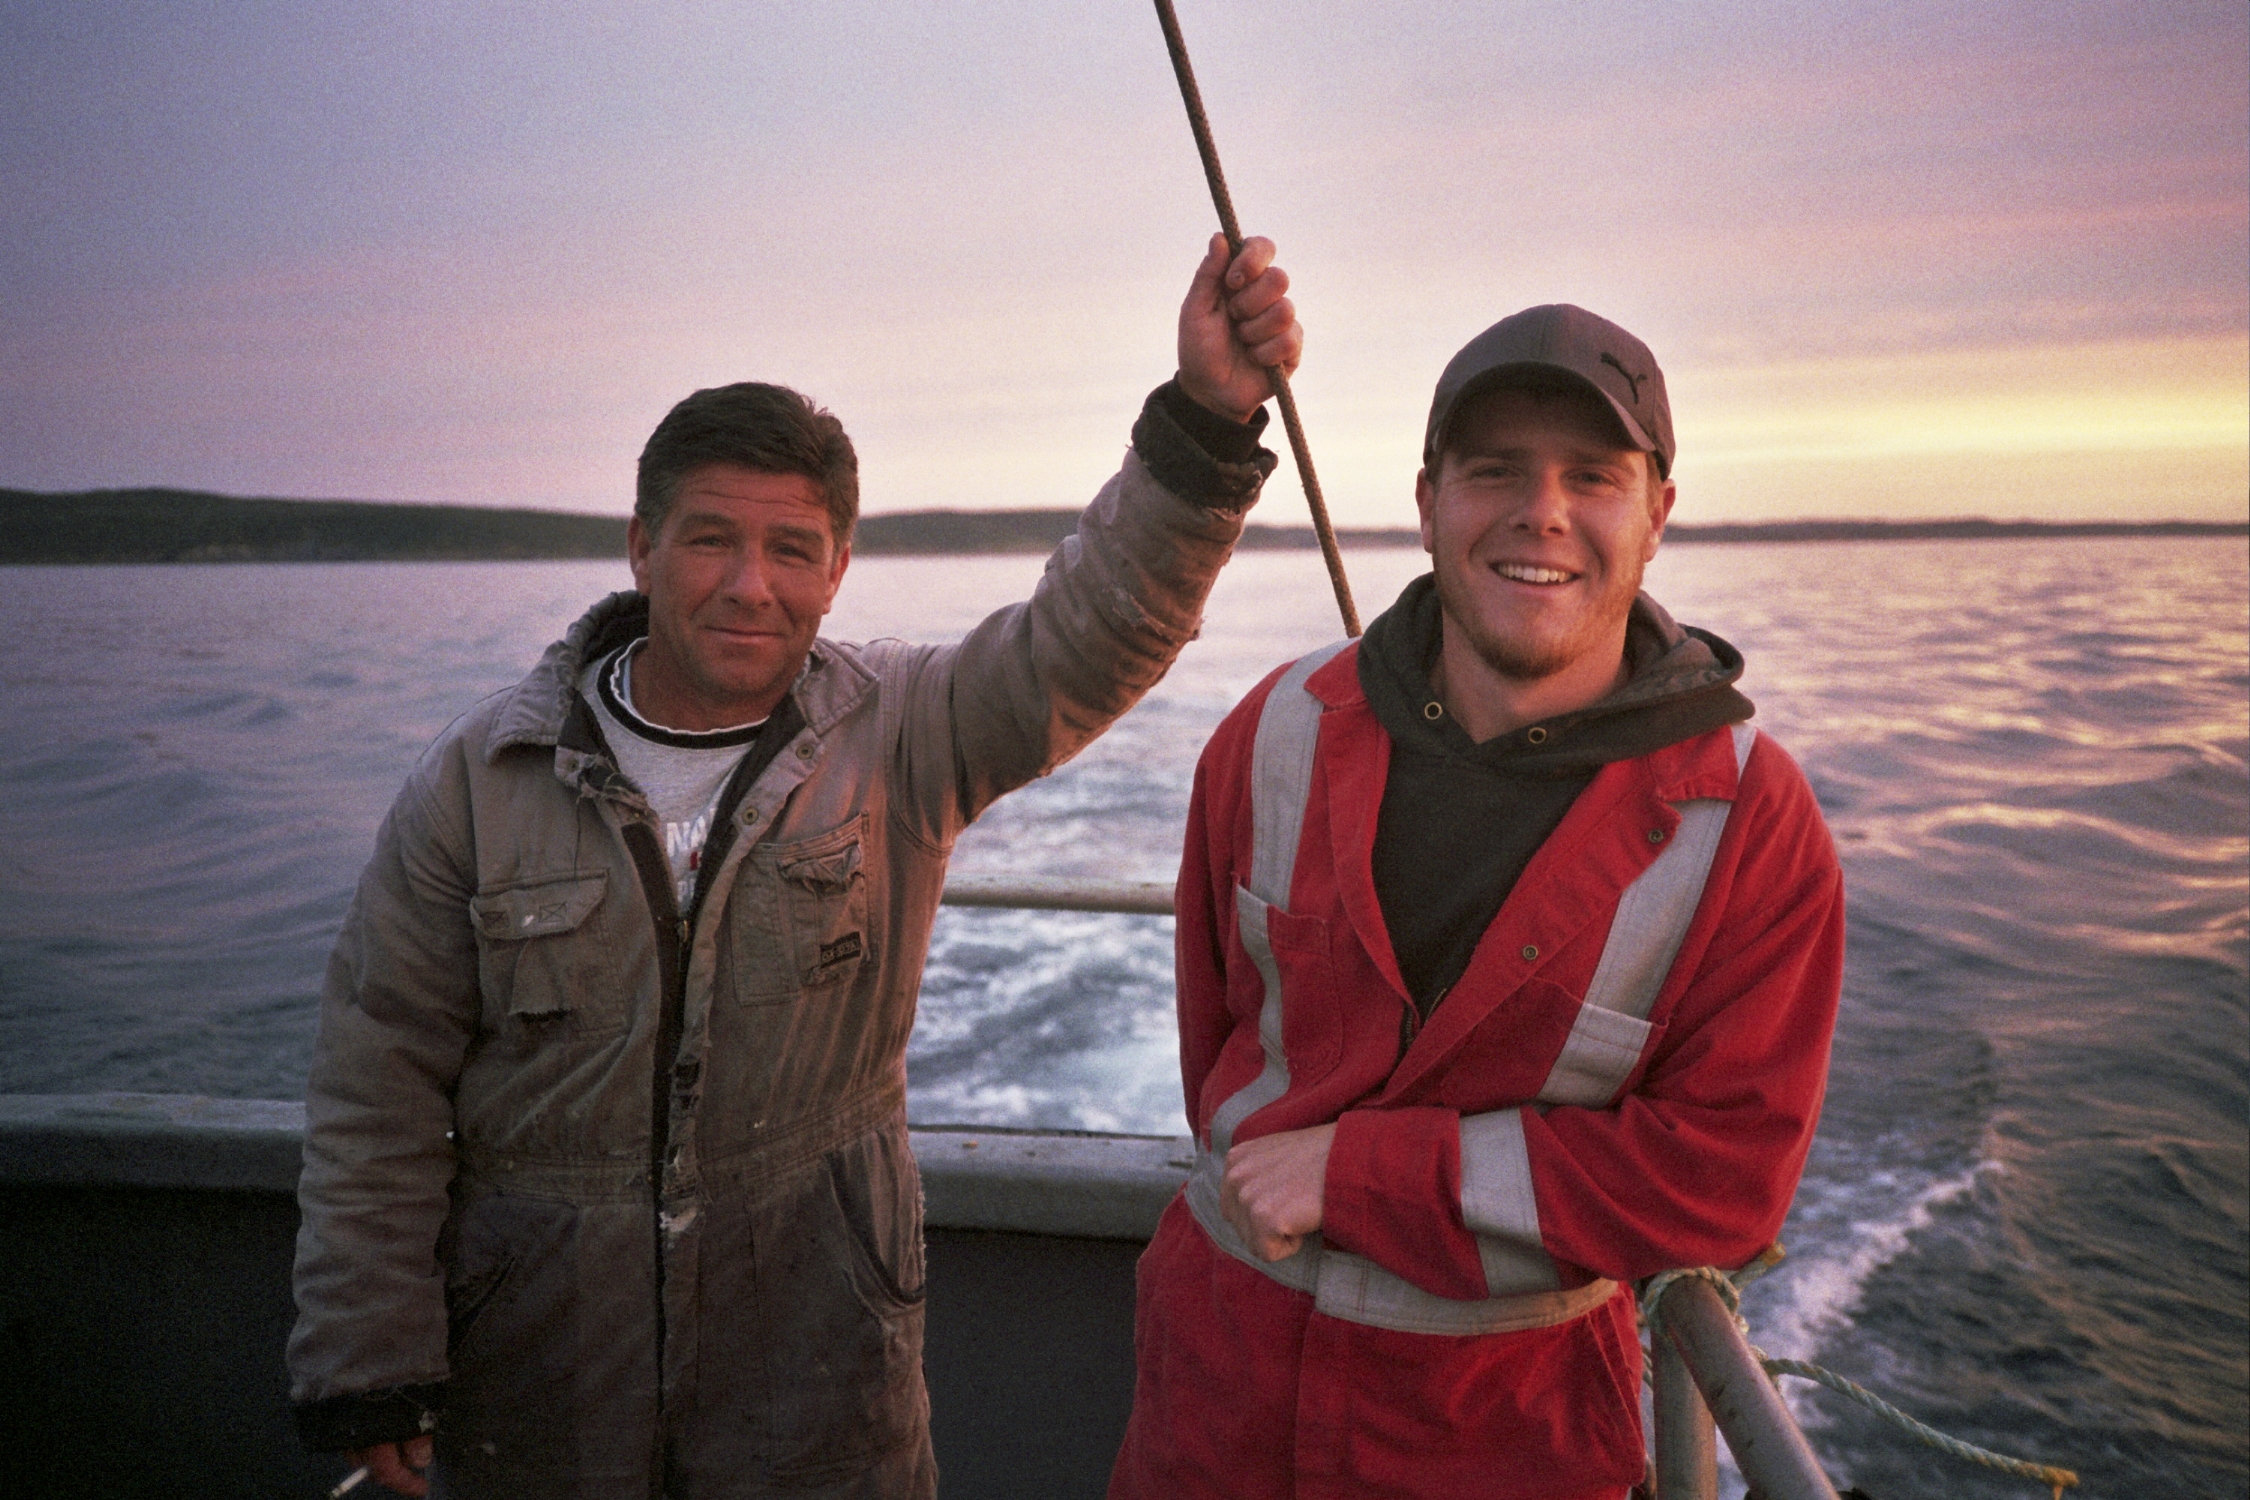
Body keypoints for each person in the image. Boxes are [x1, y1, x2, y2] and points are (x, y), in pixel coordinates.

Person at [287, 233, 1302, 1500]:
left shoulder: (904, 733)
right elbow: (377, 1081)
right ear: (641, 546)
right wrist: (371, 1349)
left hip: (822, 1384)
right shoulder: (480, 780)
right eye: (709, 539)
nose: (749, 586)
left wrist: (1207, 419)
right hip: (540, 1391)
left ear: (838, 568)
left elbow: (1086, 638)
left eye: (791, 548)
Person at [1109, 305, 1845, 1500]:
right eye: (1494, 469)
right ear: (1427, 501)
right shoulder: (1274, 731)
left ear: (1657, 514)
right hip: (1212, 1401)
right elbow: (1215, 1038)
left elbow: (1724, 1177)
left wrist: (1363, 1175)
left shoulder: (1746, 821)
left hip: (1506, 1437)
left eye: (1591, 477)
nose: (1540, 511)